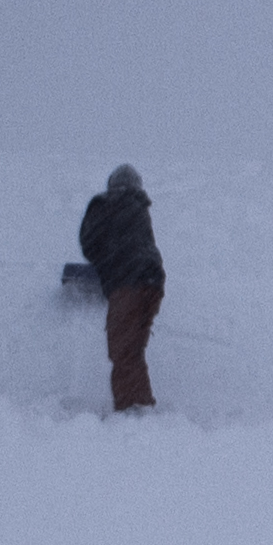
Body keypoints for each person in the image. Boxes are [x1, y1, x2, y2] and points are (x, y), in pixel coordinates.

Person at [76, 163, 165, 412]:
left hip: (129, 281)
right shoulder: (139, 208)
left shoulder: (106, 202)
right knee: (133, 349)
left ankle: (133, 410)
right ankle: (140, 406)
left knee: (122, 351)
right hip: (153, 282)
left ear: (112, 186)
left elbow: (89, 241)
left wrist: (104, 264)